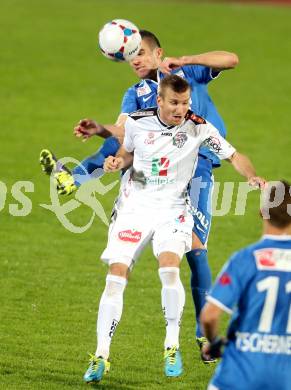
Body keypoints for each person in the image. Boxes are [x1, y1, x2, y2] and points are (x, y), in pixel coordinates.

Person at [40, 30, 239, 361]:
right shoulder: (134, 94)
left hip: (196, 167)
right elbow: (124, 130)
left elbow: (231, 59)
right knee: (121, 160)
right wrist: (102, 130)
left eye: (141, 52)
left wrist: (186, 59)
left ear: (158, 53)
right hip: (155, 175)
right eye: (129, 54)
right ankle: (77, 177)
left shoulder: (183, 75)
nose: (135, 59)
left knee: (196, 249)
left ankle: (203, 334)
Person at [83, 74, 265, 384]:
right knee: (116, 276)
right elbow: (127, 152)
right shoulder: (139, 122)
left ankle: (171, 345)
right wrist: (116, 162)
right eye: (175, 103)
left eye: (185, 103)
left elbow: (235, 155)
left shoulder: (198, 126)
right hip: (135, 208)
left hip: (173, 210)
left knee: (169, 268)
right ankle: (101, 354)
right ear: (160, 101)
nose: (181, 109)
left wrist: (252, 176)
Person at [200, 180, 291, 390]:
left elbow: (210, 315)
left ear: (262, 212)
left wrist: (213, 344)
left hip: (237, 376)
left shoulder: (245, 259)